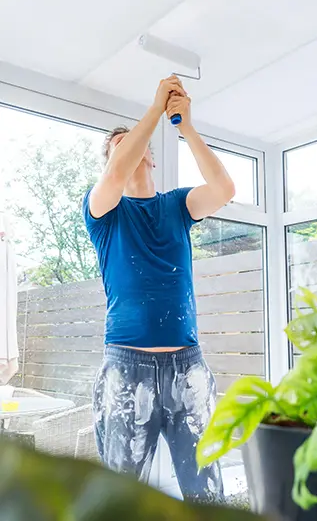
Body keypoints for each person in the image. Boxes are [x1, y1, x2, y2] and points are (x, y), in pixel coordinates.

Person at [82, 76, 235, 502]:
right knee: (120, 498)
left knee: (208, 494)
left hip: (189, 368)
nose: (131, 148)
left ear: (149, 156)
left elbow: (224, 190)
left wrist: (184, 126)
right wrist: (153, 111)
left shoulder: (177, 206)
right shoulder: (103, 212)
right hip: (127, 367)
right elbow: (115, 173)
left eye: (137, 143)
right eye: (121, 144)